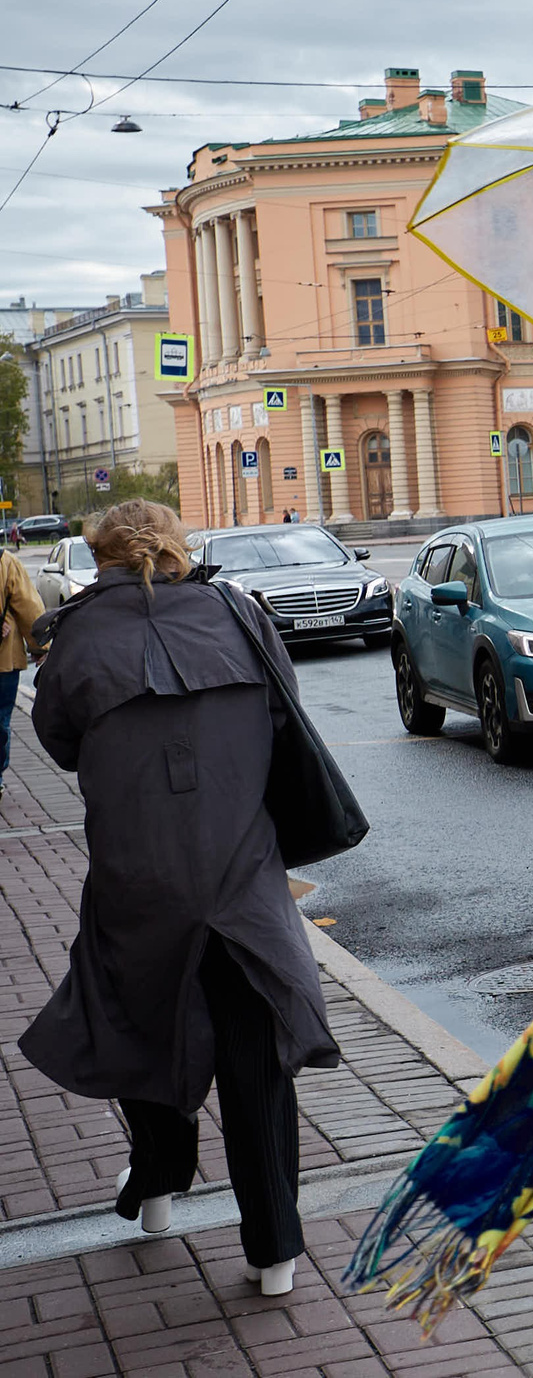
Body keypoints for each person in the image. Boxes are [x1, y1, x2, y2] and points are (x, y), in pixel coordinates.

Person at [20, 501, 339, 1297]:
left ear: (104, 559)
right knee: (255, 1056)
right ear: (177, 546)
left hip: (137, 874)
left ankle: (158, 1184)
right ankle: (274, 1250)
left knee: (139, 1024)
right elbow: (282, 711)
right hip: (241, 874)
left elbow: (58, 741)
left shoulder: (78, 633)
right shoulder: (239, 611)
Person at [0, 540, 41, 783]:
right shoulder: (6, 562)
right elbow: (29, 607)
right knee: (1, 719)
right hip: (4, 660)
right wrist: (39, 646)